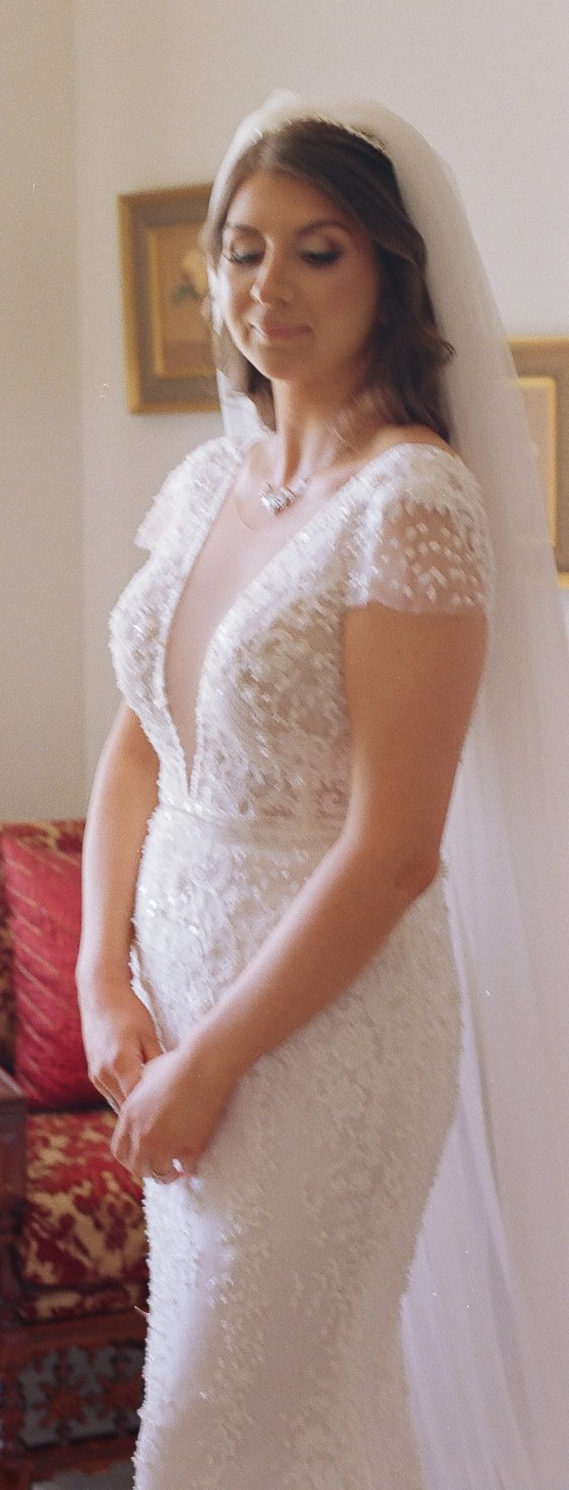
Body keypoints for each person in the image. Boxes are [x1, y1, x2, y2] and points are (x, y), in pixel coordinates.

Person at [77, 91, 569, 1490]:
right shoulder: (202, 486)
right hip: (170, 1018)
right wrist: (104, 976)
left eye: (319, 251)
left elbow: (396, 851)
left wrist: (215, 1059)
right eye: (242, 251)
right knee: (246, 1403)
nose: (268, 288)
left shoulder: (413, 503)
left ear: (390, 276)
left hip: (321, 1040)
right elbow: (135, 748)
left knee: (224, 1426)